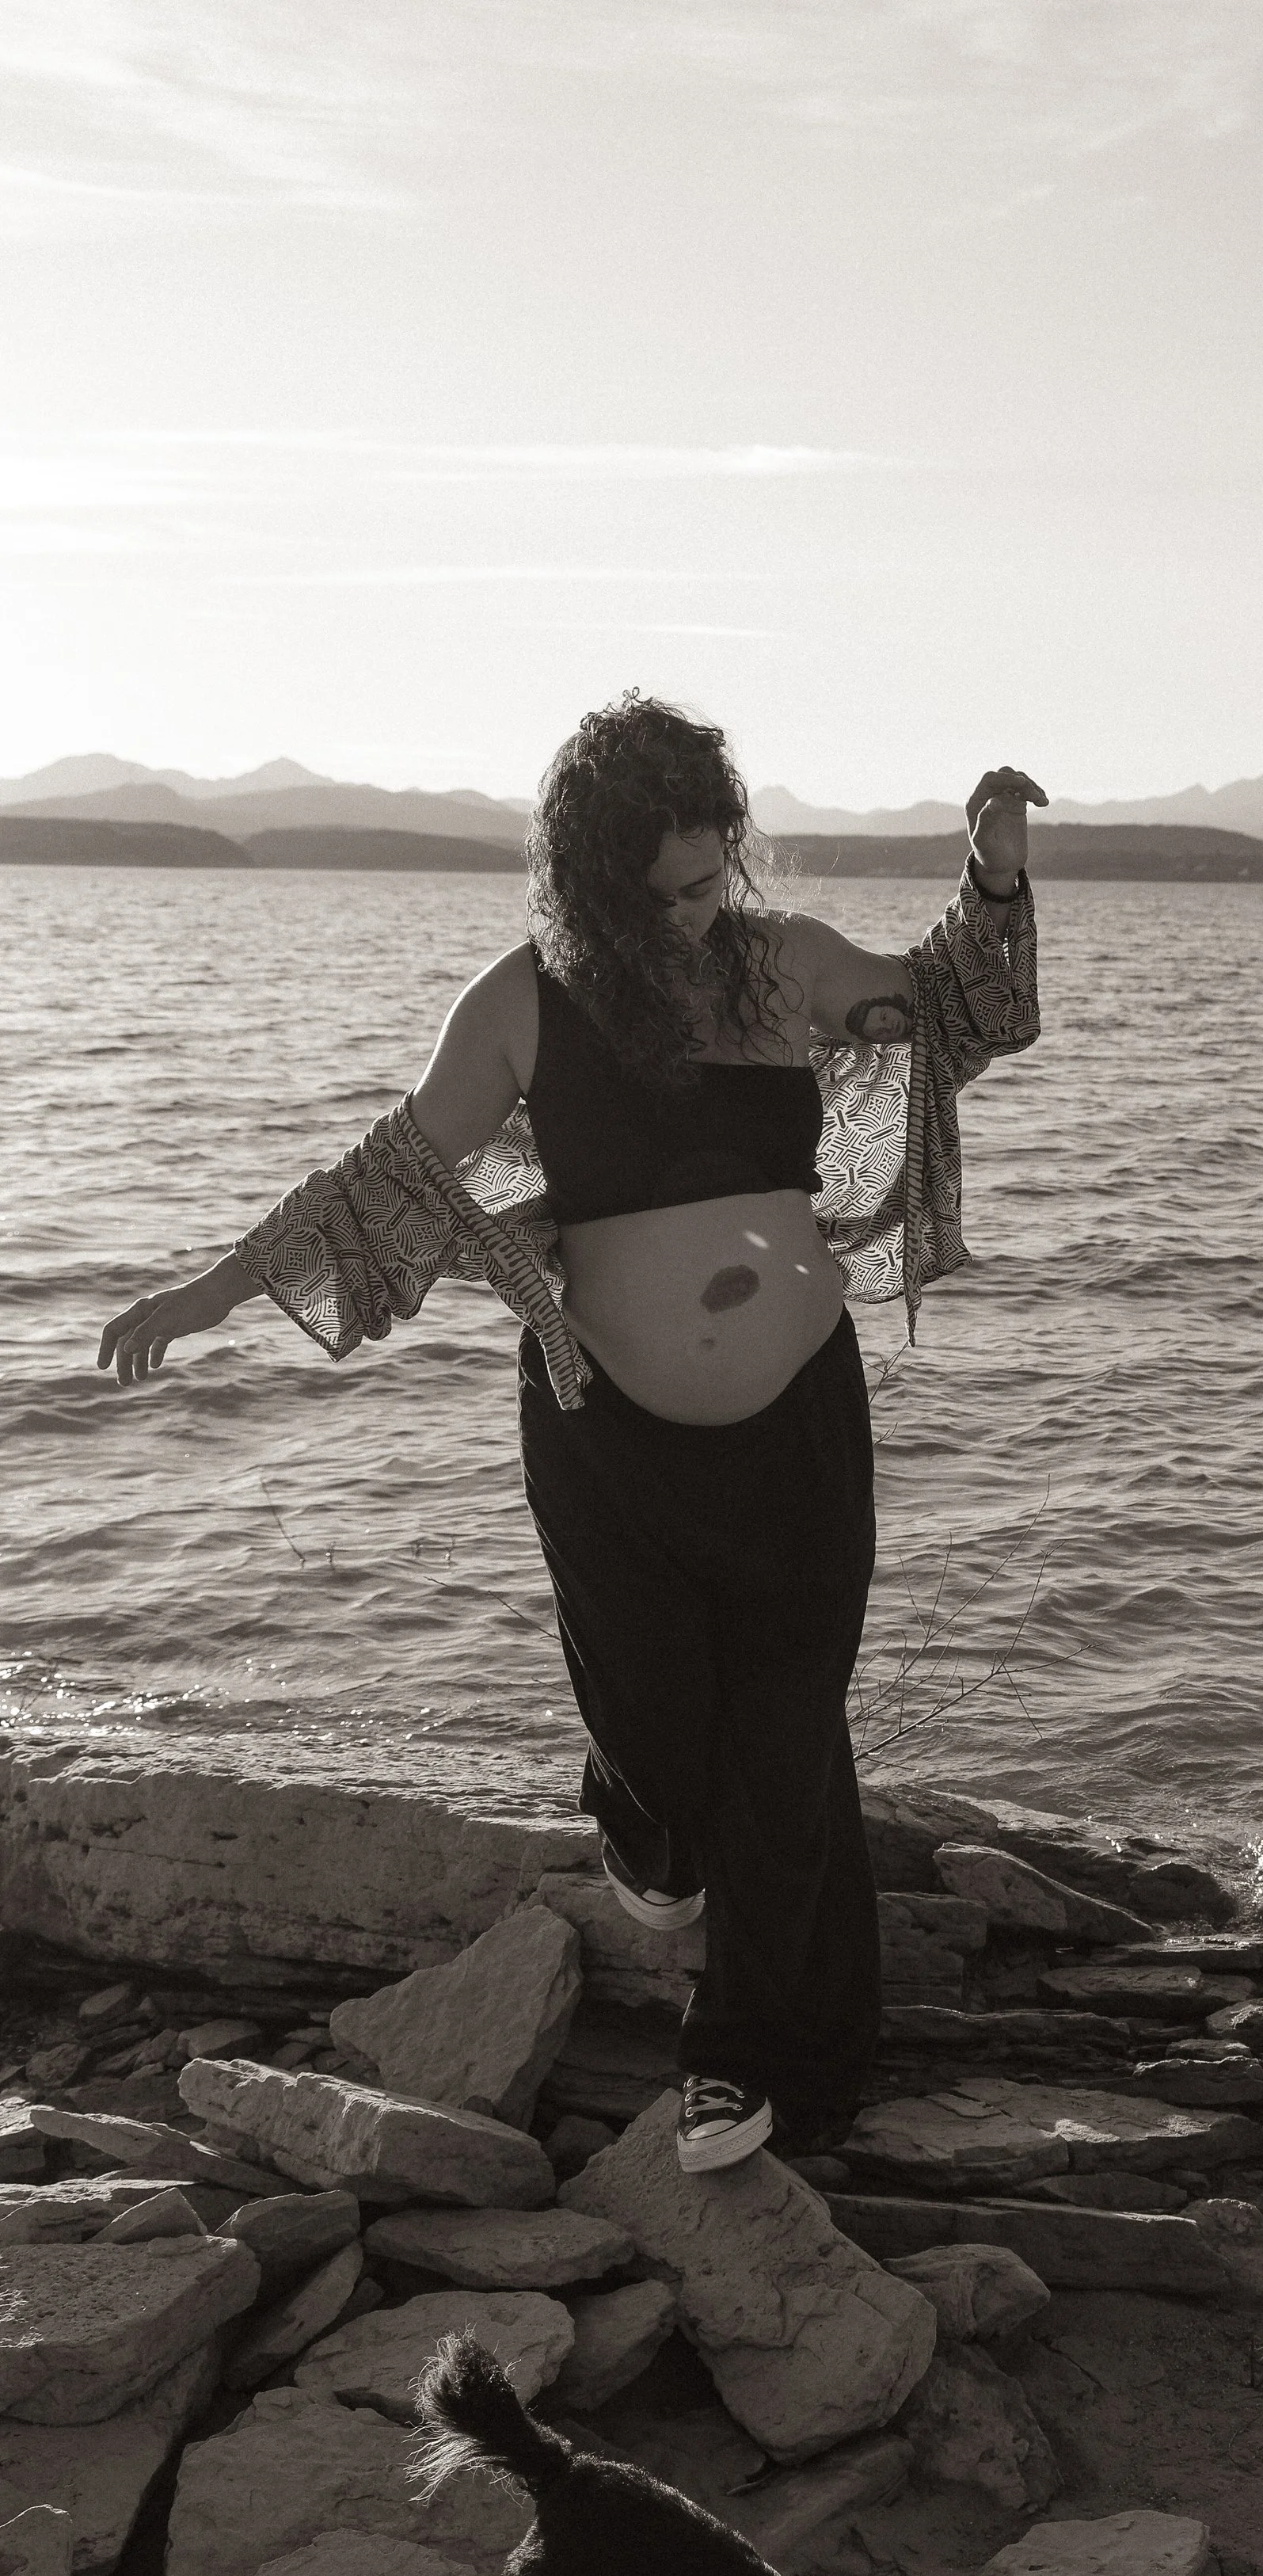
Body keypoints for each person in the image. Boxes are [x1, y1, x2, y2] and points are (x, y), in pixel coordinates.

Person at [97, 695, 1044, 2173]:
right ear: (599, 872)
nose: (700, 906)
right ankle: (645, 1825)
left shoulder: (782, 968)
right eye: (668, 884)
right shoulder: (526, 1003)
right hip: (612, 1441)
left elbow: (948, 1009)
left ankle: (745, 2059)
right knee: (661, 1723)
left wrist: (990, 878)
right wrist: (210, 1291)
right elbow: (384, 1176)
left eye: (716, 869)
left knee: (787, 1742)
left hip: (800, 1423)